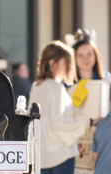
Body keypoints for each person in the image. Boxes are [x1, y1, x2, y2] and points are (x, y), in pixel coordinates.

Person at [28, 41, 100, 174]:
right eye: (65, 61)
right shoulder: (55, 87)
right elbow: (59, 123)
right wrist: (87, 122)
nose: (68, 65)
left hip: (41, 156)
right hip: (60, 154)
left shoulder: (36, 87)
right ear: (52, 62)